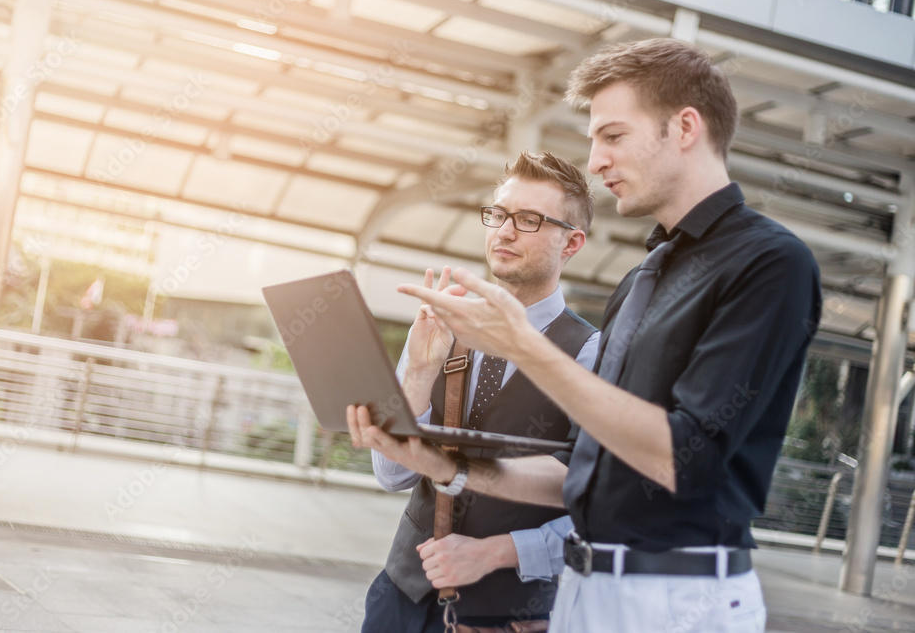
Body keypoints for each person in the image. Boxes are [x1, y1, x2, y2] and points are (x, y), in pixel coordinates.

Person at [349, 38, 822, 632]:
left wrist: (521, 345)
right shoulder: (643, 277)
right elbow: (586, 471)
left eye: (613, 136)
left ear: (684, 127)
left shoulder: (771, 262)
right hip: (584, 590)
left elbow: (683, 458)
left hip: (676, 597)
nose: (596, 160)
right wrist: (444, 465)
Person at [362, 151, 601, 633]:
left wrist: (492, 553)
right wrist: (419, 373)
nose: (505, 231)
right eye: (498, 214)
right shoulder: (442, 320)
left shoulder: (590, 353)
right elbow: (392, 475)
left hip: (506, 617)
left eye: (530, 219)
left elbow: (598, 506)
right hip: (400, 597)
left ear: (571, 242)